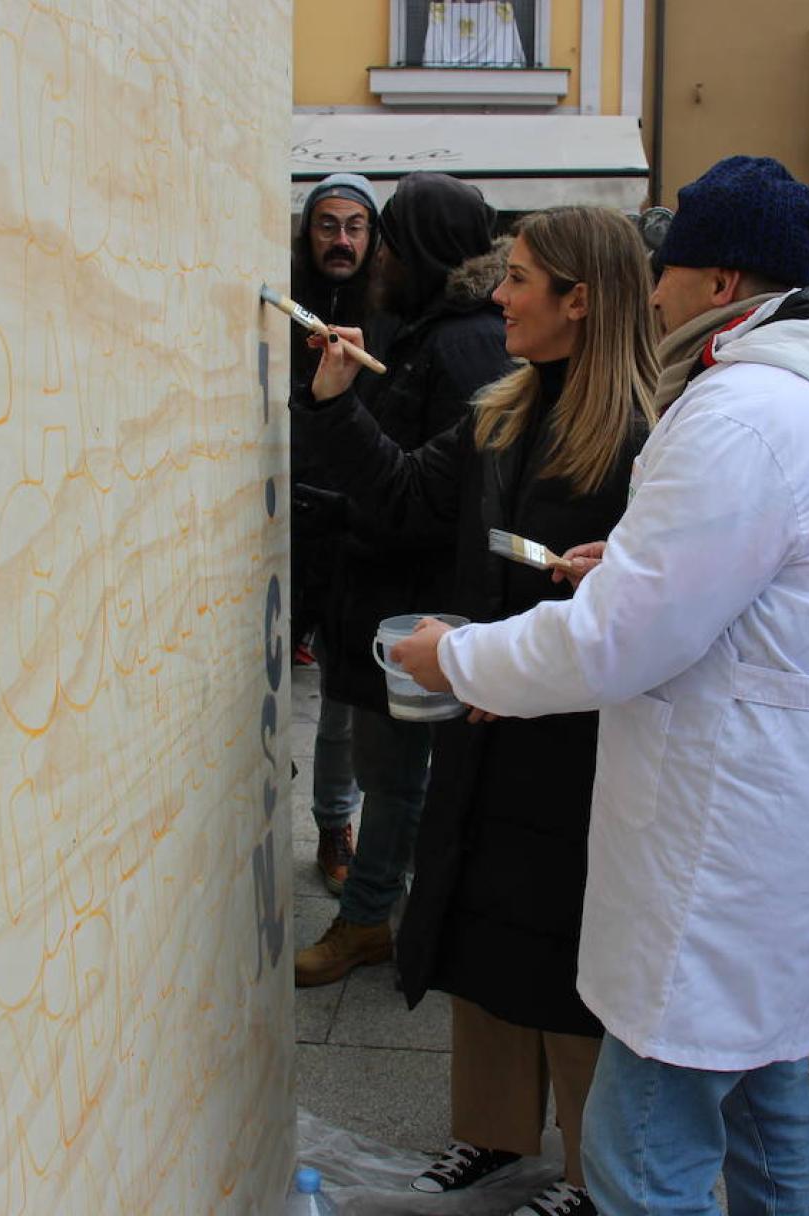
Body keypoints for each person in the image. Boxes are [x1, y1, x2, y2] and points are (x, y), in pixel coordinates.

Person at [388, 154, 809, 1215]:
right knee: (766, 1112)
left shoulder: (737, 414)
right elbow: (754, 599)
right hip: (798, 836)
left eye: (671, 265)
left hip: (725, 853)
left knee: (641, 1159)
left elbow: (614, 646)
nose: (658, 285)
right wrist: (627, 566)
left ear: (720, 284)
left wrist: (455, 657)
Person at [299, 205, 657, 1216]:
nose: (499, 294)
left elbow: (646, 612)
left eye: (523, 279)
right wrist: (334, 404)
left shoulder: (643, 434)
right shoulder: (504, 405)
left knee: (571, 954)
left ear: (581, 301)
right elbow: (408, 496)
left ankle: (596, 1176)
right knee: (481, 929)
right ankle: (492, 1138)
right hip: (482, 725)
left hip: (580, 748)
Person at [291, 172, 514, 987]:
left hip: (414, 604)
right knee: (396, 772)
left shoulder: (462, 345)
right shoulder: (434, 328)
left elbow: (423, 500)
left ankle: (369, 919)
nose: (373, 253)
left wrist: (335, 414)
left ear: (418, 248)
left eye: (384, 237)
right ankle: (395, 911)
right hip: (402, 594)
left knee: (394, 777)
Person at [288, 172, 396, 895]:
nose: (341, 240)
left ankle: (335, 824)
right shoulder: (281, 298)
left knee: (339, 698)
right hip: (277, 518)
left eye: (355, 227)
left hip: (347, 524)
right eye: (328, 225)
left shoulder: (385, 315)